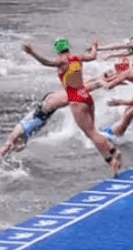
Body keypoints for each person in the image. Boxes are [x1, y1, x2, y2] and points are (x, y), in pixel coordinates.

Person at [23, 38, 122, 175]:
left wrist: (32, 52)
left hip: (76, 99)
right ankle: (111, 151)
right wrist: (94, 46)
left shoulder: (61, 61)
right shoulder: (77, 57)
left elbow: (46, 61)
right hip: (85, 95)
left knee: (91, 134)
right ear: (68, 47)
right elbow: (93, 56)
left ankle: (112, 159)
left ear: (57, 50)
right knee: (92, 131)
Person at [0, 78, 104, 160]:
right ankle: (100, 79)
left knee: (74, 93)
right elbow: (14, 146)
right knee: (74, 92)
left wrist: (0, 155)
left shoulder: (18, 130)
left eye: (17, 143)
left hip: (46, 106)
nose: (18, 143)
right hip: (49, 108)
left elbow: (8, 144)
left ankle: (99, 82)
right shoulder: (27, 135)